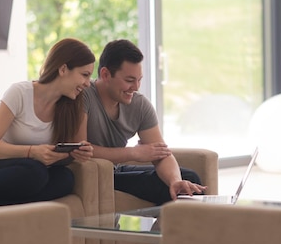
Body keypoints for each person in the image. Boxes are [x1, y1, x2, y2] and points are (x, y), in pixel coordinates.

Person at [0, 38, 95, 206]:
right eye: (84, 75)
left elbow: (59, 154)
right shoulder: (20, 93)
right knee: (35, 172)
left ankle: (0, 203)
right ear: (63, 69)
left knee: (65, 178)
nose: (88, 83)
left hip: (16, 169)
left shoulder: (70, 106)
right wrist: (32, 152)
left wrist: (75, 152)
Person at [81, 39, 206, 206]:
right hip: (91, 175)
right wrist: (133, 153)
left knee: (188, 181)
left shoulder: (139, 105)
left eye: (139, 80)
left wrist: (175, 181)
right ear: (105, 75)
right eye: (129, 80)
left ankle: (168, 232)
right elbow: (80, 148)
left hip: (115, 171)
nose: (136, 87)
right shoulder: (84, 96)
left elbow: (161, 153)